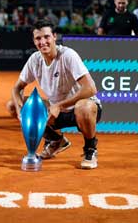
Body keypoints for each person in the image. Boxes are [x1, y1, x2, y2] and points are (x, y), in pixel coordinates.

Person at [7, 19, 102, 169]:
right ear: (33, 40)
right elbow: (16, 88)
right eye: (38, 38)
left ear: (54, 37)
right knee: (12, 105)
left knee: (84, 107)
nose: (42, 42)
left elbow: (91, 89)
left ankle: (90, 149)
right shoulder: (35, 60)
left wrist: (60, 105)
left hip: (82, 109)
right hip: (55, 112)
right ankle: (57, 140)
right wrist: (20, 111)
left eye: (46, 37)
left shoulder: (68, 55)